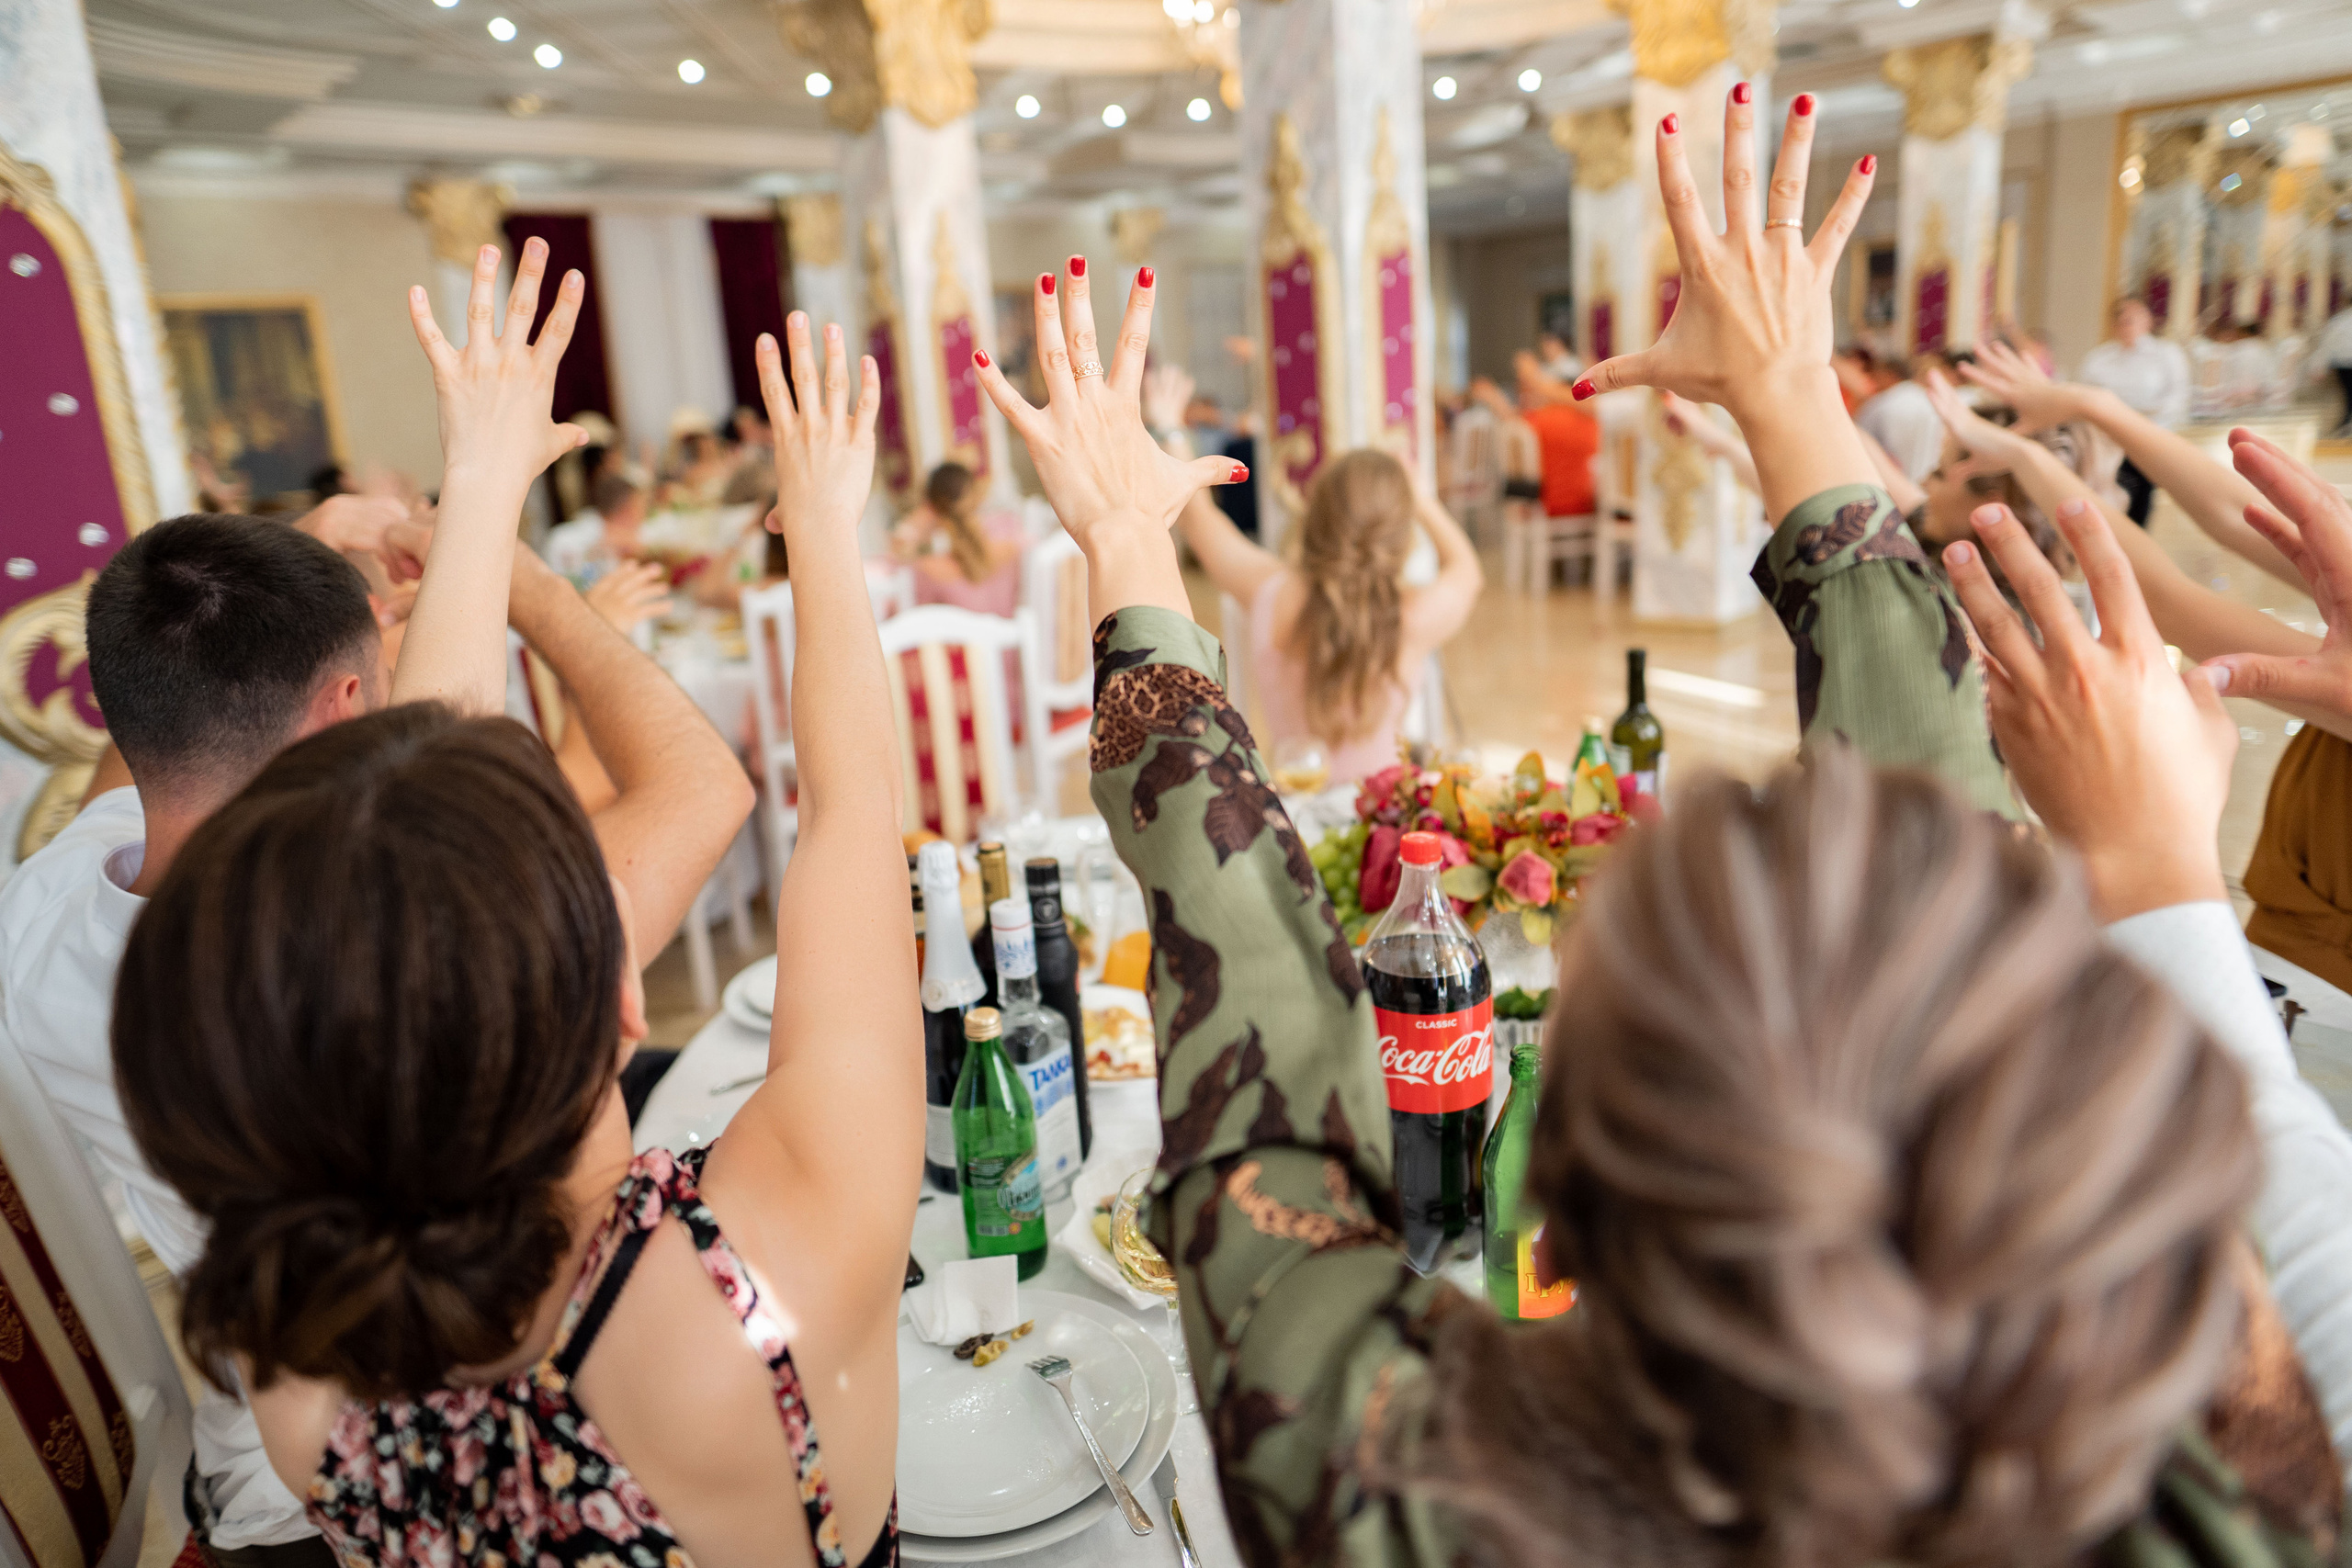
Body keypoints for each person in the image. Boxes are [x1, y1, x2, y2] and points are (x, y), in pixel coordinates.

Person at [970, 106, 2352, 1565]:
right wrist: (1796, 408)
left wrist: (1130, 542)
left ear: (1552, 1235)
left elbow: (1260, 1075)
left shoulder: (1430, 1499)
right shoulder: (2236, 1465)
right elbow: (1270, 1114)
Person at [114, 244, 908, 1568]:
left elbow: (416, 855)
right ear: (623, 994)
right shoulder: (778, 1271)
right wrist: (823, 525)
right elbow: (850, 810)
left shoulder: (300, 1374)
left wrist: (479, 490)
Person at [1145, 364, 1481, 783]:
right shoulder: (1412, 613)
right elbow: (1466, 569)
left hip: (1292, 810)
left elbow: (1198, 516)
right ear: (1402, 530)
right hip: (1381, 820)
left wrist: (1170, 427)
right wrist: (1423, 499)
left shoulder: (1269, 591)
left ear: (1315, 513)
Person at [2078, 297, 2192, 525]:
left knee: (2138, 495)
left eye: (2132, 315)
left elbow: (2177, 397)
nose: (2125, 320)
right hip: (2105, 438)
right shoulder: (2100, 358)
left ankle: (2135, 540)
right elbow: (2083, 394)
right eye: (2119, 315)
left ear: (2148, 319)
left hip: (2147, 434)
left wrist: (2142, 424)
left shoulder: (2166, 354)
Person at [889, 459, 1023, 615]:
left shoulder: (926, 571)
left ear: (930, 508)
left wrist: (914, 526)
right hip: (1015, 637)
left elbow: (897, 618)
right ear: (976, 496)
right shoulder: (1014, 547)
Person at [1851, 353, 1943, 483]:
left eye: (1876, 375)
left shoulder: (1882, 403)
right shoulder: (1927, 399)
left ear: (1889, 374)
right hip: (1925, 482)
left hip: (1890, 481)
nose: (1872, 380)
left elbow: (1857, 439)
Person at [543, 470, 648, 584]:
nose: (642, 517)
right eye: (640, 509)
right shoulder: (566, 539)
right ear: (627, 510)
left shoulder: (624, 540)